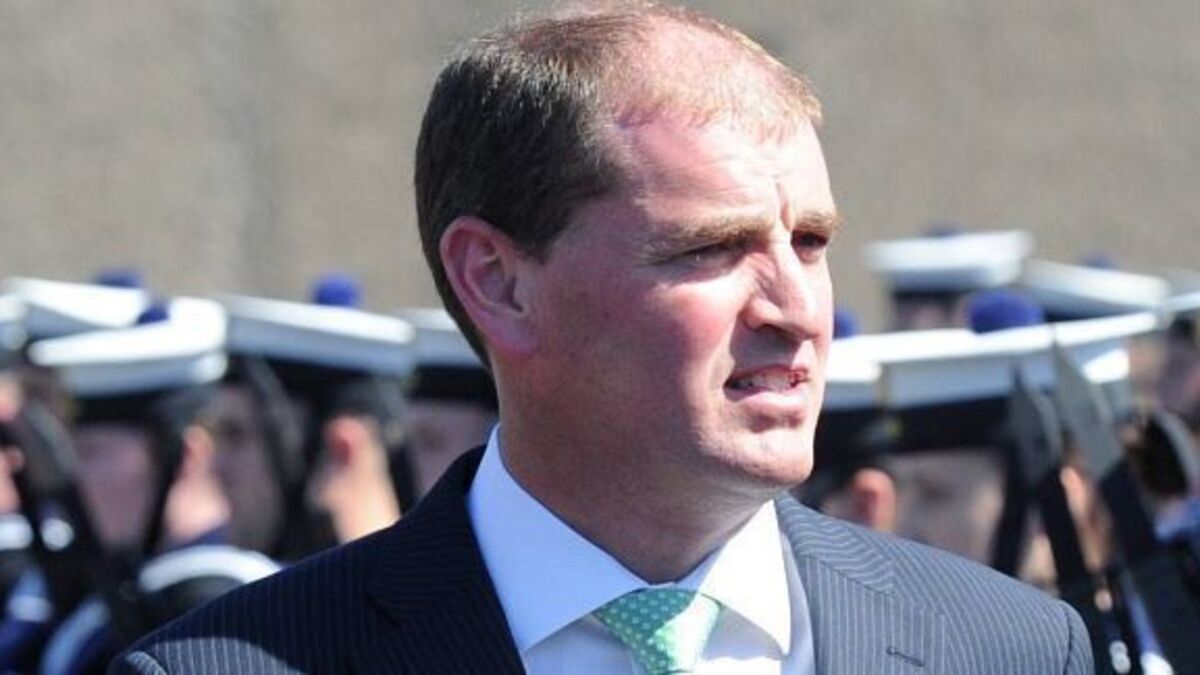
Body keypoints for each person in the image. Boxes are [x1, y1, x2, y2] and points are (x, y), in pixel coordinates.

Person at [112, 3, 1092, 673]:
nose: (798, 309)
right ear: (497, 281)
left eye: (810, 242)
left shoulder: (1005, 649)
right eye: (711, 248)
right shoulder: (235, 664)